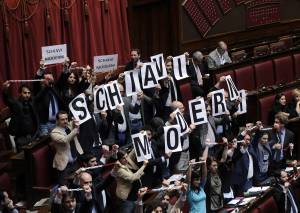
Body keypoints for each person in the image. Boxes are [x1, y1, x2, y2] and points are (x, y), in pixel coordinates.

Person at [2, 81, 39, 151]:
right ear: (20, 93)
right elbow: (7, 99)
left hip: (33, 136)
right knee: (24, 160)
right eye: (25, 93)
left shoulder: (32, 102)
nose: (27, 95)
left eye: (29, 93)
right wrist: (5, 89)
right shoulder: (16, 104)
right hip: (21, 139)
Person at [51, 111, 81, 185]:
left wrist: (76, 123)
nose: (65, 121)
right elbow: (65, 140)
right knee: (65, 186)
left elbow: (76, 129)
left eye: (66, 119)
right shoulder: (54, 133)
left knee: (77, 183)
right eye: (62, 119)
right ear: (57, 121)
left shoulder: (69, 126)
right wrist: (75, 130)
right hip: (64, 164)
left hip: (75, 161)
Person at [187, 145, 208, 213]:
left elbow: (204, 175)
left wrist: (204, 163)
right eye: (196, 180)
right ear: (192, 181)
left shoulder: (201, 187)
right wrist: (190, 165)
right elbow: (189, 179)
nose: (199, 181)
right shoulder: (189, 190)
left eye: (199, 179)